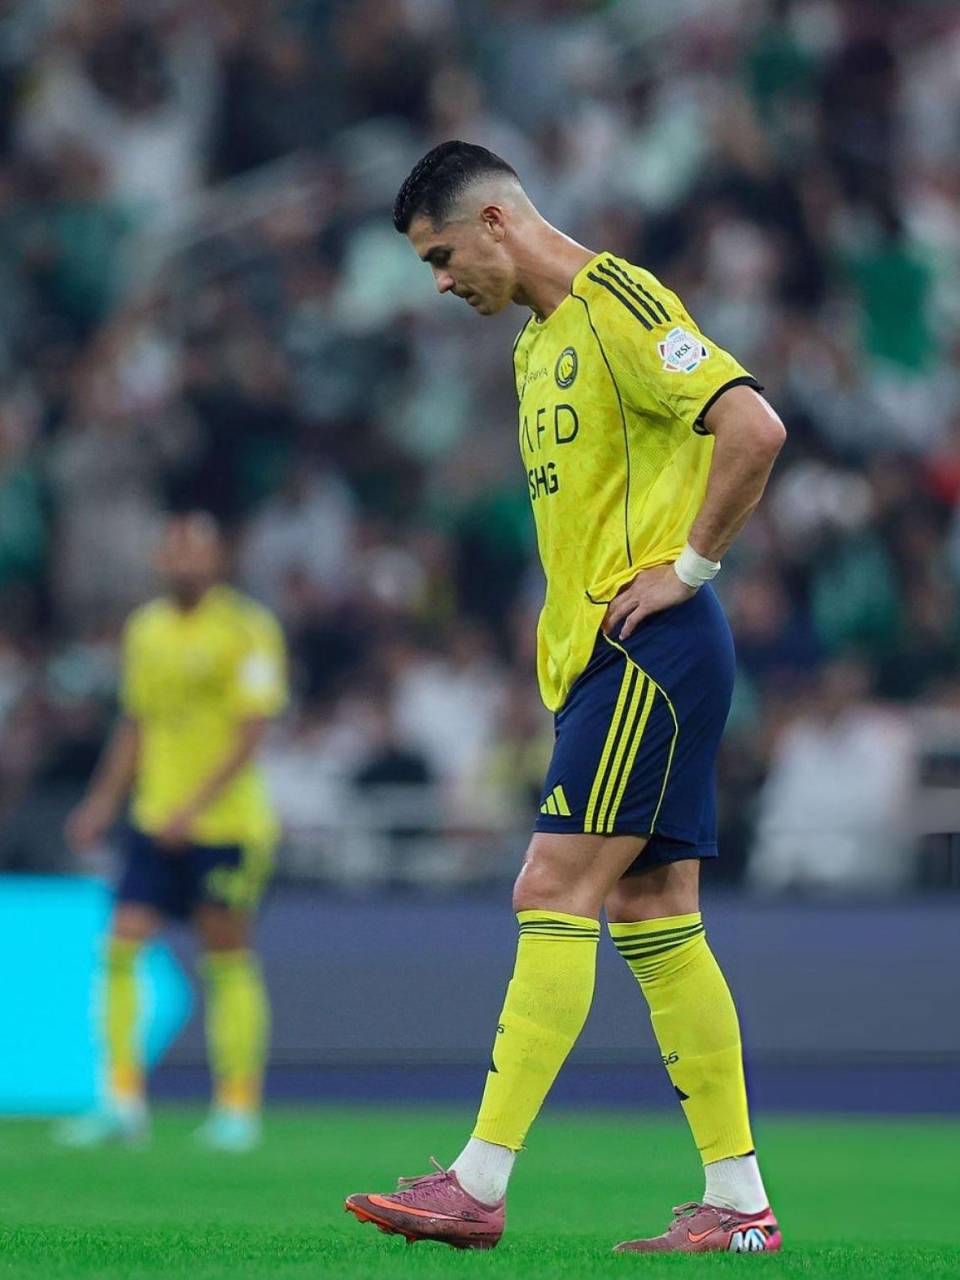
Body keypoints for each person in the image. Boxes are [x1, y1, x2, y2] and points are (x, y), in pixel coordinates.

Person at [345, 142, 786, 1253]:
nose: (441, 284)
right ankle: (739, 1203)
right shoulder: (536, 346)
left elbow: (754, 428)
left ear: (495, 221)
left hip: (652, 646)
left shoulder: (617, 301)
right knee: (651, 914)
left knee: (551, 882)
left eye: (443, 256)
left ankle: (477, 1180)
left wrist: (686, 568)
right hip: (602, 661)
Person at [58, 513, 287, 1152]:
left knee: (225, 955)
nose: (185, 564)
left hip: (227, 825)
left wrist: (194, 807)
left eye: (197, 553)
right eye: (175, 552)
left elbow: (252, 731)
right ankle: (120, 1100)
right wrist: (102, 801)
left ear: (218, 561)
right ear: (162, 560)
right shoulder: (145, 630)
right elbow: (135, 723)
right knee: (122, 946)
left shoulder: (248, 628)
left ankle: (237, 1108)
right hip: (154, 820)